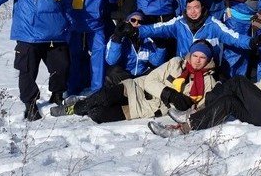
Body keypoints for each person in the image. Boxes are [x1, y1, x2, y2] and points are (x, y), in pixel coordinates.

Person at [148, 22, 261, 137]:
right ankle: (183, 128)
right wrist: (246, 94)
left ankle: (191, 113)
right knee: (229, 101)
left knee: (239, 81)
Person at [50, 40, 218, 123]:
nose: (197, 60)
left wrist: (184, 106)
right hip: (136, 88)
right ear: (190, 55)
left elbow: (199, 107)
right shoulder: (176, 63)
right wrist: (170, 94)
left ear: (208, 60)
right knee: (105, 97)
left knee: (97, 115)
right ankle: (74, 108)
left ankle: (85, 103)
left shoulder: (208, 82)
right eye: (195, 55)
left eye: (202, 57)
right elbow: (151, 81)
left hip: (147, 107)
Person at [128, 0, 261, 65]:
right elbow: (157, 28)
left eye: (196, 7)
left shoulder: (212, 24)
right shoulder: (179, 23)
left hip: (206, 66)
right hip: (184, 65)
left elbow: (233, 37)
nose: (193, 11)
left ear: (202, 8)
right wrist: (136, 31)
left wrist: (252, 42)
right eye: (189, 8)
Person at [65, 0, 123, 96]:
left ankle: (97, 90)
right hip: (76, 23)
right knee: (75, 55)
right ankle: (72, 89)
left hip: (96, 24)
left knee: (98, 55)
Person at [104, 10, 167, 85]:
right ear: (127, 22)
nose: (136, 23)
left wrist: (161, 45)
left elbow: (156, 62)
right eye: (133, 20)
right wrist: (118, 38)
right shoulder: (117, 38)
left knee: (158, 73)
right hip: (125, 75)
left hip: (142, 75)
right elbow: (111, 61)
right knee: (113, 72)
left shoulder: (148, 40)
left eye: (140, 22)